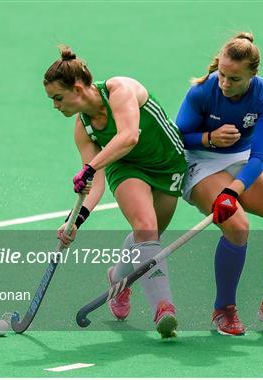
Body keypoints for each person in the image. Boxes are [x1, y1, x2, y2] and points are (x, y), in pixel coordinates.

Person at [45, 45, 187, 339]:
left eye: (58, 98)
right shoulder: (83, 128)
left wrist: (90, 167)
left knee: (149, 239)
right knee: (146, 229)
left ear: (79, 87)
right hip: (126, 168)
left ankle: (117, 278)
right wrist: (76, 220)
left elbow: (129, 136)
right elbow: (93, 182)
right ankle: (164, 308)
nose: (55, 106)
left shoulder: (119, 89)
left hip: (167, 164)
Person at [176, 32, 263, 336]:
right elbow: (178, 136)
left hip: (243, 159)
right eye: (221, 74)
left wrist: (233, 190)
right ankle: (224, 310)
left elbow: (259, 156)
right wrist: (208, 138)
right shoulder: (202, 91)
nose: (224, 83)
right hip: (200, 161)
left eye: (233, 78)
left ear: (252, 74)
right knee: (237, 226)